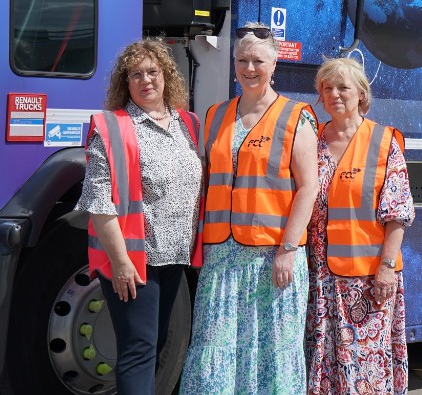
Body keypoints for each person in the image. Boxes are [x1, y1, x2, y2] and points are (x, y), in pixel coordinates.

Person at [180, 23, 319, 394]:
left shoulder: (296, 118)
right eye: (242, 59)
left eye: (258, 60)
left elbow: (309, 187)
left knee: (271, 353)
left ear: (274, 64)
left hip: (273, 259)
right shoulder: (214, 116)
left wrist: (289, 249)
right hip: (222, 258)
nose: (249, 68)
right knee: (215, 349)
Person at [75, 39, 203, 395]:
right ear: (125, 83)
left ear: (166, 76)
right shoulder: (112, 127)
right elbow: (99, 201)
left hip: (175, 257)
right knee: (137, 351)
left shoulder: (188, 124)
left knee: (155, 344)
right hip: (134, 260)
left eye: (153, 72)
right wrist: (119, 262)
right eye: (136, 75)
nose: (146, 80)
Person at [306, 57, 415, 395]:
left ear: (361, 94)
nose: (334, 94)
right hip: (318, 278)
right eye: (327, 88)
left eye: (343, 87)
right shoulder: (310, 141)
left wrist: (385, 268)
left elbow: (398, 213)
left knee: (365, 367)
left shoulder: (384, 142)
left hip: (368, 280)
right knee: (321, 363)